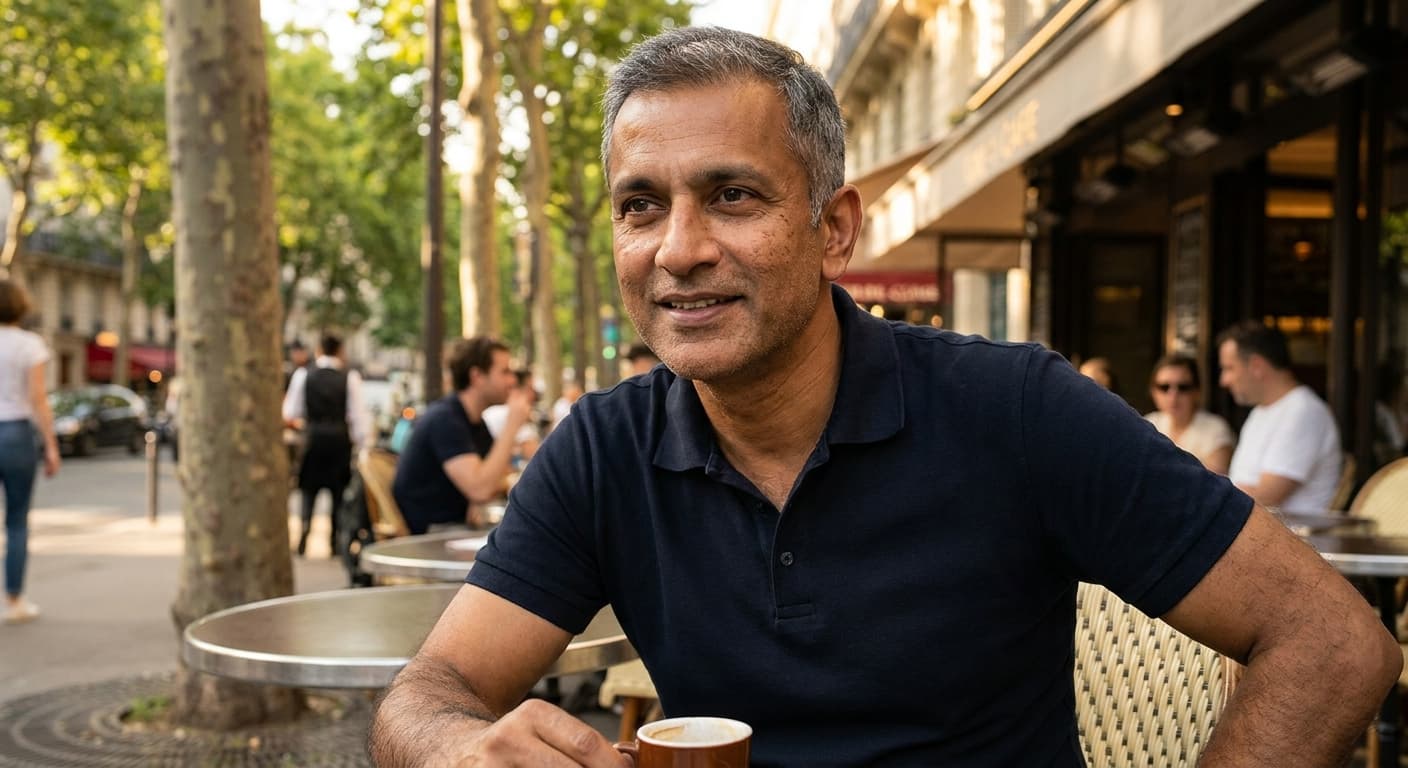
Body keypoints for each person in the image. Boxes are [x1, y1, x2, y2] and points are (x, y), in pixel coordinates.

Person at [370, 27, 1397, 767]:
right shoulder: (603, 448)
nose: (678, 250)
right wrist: (460, 745)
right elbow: (421, 696)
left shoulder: (1014, 410)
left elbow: (1335, 642)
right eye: (642, 206)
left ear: (834, 229)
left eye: (732, 195)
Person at [391, 337, 533, 534]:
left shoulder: (473, 422)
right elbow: (482, 489)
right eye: (505, 371)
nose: (512, 380)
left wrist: (486, 487)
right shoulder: (445, 420)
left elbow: (501, 477)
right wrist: (512, 425)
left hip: (456, 528)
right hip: (430, 537)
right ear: (477, 376)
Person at [1218, 320, 1342, 513]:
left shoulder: (1303, 411)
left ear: (1257, 366)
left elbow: (1264, 498)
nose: (1223, 380)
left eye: (1229, 368)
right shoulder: (1262, 410)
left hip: (1291, 539)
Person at [0, 280, 60, 624]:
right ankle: (14, 600)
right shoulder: (29, 344)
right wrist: (51, 445)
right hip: (16, 432)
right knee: (17, 521)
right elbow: (39, 399)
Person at [281, 334, 368, 556]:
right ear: (340, 351)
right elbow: (358, 418)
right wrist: (362, 443)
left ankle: (303, 534)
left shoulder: (304, 375)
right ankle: (333, 542)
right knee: (338, 495)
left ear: (319, 349)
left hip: (313, 439)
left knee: (308, 491)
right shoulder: (350, 377)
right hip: (339, 441)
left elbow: (291, 411)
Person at [1144, 353, 1235, 474]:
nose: (1173, 396)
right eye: (1164, 387)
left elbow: (1211, 483)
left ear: (1197, 391)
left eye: (1183, 387)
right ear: (1153, 392)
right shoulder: (1148, 424)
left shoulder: (1216, 429)